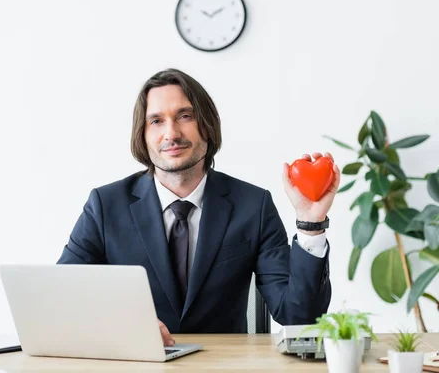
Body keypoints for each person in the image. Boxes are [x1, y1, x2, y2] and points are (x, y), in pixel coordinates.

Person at [57, 68, 339, 346]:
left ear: (206, 124)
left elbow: (301, 319)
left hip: (223, 368)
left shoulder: (253, 206)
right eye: (156, 121)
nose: (171, 133)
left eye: (185, 116)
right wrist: (121, 325)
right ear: (142, 134)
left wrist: (310, 223)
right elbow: (62, 299)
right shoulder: (106, 206)